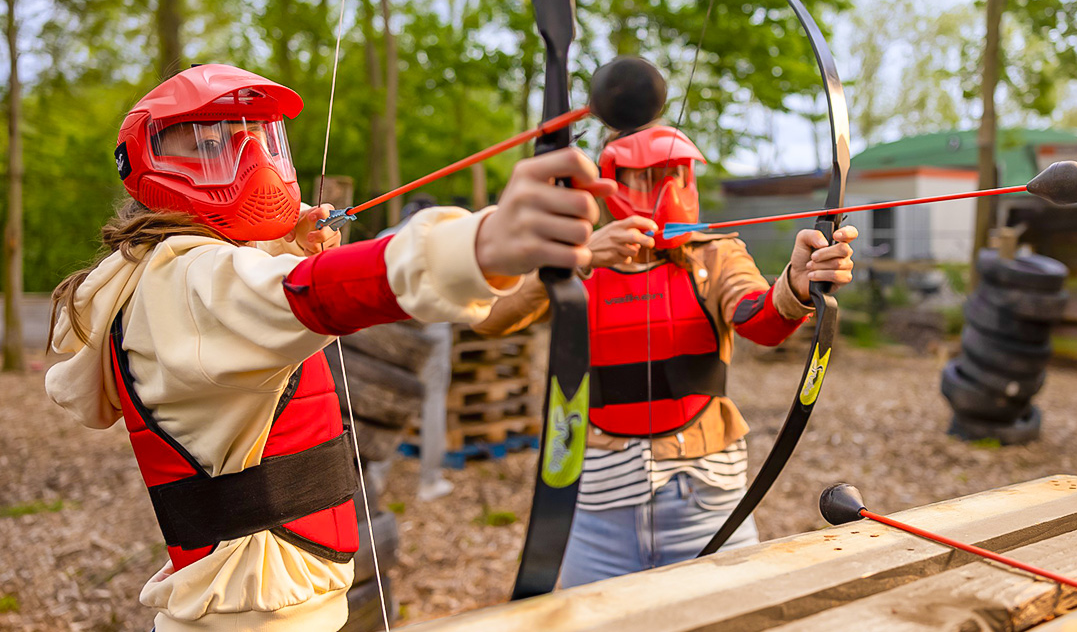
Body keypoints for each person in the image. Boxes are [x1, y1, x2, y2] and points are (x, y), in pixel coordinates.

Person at [44, 63, 612, 631]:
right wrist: (481, 244)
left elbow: (249, 293)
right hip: (256, 619)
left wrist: (282, 246)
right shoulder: (188, 283)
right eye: (211, 143)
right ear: (153, 166)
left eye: (259, 139)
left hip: (252, 609)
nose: (251, 163)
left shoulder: (165, 277)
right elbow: (304, 297)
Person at [474, 124, 859, 586]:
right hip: (597, 505)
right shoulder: (578, 257)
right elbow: (490, 317)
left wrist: (798, 283)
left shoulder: (714, 253)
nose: (666, 189)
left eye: (678, 173)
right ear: (611, 182)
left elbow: (761, 318)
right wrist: (578, 259)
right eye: (645, 176)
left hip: (703, 499)